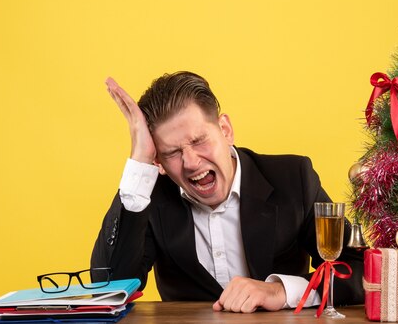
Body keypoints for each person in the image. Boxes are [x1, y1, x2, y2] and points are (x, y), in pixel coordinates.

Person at [91, 71, 364, 313]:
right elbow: (108, 290)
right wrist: (139, 161)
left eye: (199, 141)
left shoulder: (293, 178)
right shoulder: (148, 197)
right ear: (157, 162)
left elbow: (359, 271)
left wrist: (280, 291)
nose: (191, 163)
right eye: (172, 153)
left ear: (225, 129)